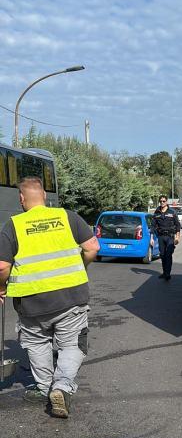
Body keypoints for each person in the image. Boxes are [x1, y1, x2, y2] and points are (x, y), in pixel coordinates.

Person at [0, 176, 99, 418]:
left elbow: (2, 267)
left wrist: (1, 289)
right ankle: (62, 387)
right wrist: (80, 268)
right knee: (72, 345)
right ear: (44, 196)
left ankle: (45, 388)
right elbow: (92, 247)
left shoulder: (13, 225)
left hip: (32, 304)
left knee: (37, 344)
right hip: (70, 297)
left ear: (22, 199)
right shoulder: (68, 217)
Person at [152, 195, 180, 281]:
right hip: (161, 237)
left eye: (164, 201)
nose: (162, 202)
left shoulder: (172, 212)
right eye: (161, 201)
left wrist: (177, 237)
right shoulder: (156, 212)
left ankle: (168, 273)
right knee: (163, 255)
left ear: (166, 202)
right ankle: (164, 272)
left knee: (168, 255)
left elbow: (177, 225)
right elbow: (153, 226)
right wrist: (151, 238)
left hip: (170, 237)